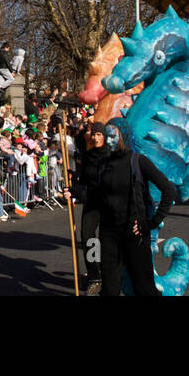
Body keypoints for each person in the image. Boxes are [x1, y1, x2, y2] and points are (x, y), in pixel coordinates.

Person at [85, 121, 177, 296]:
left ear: (123, 136)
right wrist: (73, 191)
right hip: (109, 234)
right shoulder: (103, 164)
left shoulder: (138, 161)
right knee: (110, 289)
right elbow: (97, 195)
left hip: (134, 233)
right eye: (107, 136)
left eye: (113, 136)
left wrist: (151, 223)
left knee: (144, 288)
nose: (109, 141)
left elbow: (169, 190)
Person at [64, 121, 111, 294]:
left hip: (107, 204)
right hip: (91, 203)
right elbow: (84, 182)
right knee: (88, 238)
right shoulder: (88, 155)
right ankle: (94, 276)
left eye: (99, 135)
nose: (96, 138)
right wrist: (72, 183)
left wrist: (78, 192)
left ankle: (109, 276)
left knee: (106, 241)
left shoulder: (110, 156)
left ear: (104, 137)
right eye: (95, 135)